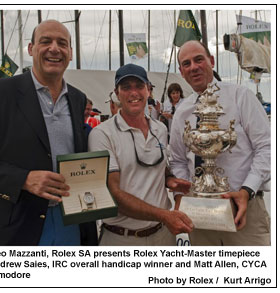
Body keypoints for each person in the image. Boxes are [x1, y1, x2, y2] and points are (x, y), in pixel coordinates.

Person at [0, 19, 97, 246]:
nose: (54, 48)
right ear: (31, 49)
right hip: (17, 226)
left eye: (62, 43)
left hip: (71, 219)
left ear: (70, 53)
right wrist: (23, 180)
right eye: (46, 41)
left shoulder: (77, 98)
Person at [169, 40, 271, 246]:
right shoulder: (182, 113)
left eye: (199, 59)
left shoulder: (241, 97)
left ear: (211, 61)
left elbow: (267, 147)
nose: (194, 67)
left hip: (243, 209)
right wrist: (181, 196)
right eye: (186, 63)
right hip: (199, 212)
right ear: (181, 71)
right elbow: (178, 161)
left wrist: (246, 190)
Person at [88, 63, 193, 246]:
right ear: (116, 93)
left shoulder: (160, 129)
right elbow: (113, 194)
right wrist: (165, 215)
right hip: (121, 239)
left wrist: (169, 178)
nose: (133, 93)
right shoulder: (101, 134)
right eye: (126, 87)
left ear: (148, 90)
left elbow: (157, 162)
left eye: (139, 86)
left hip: (163, 236)